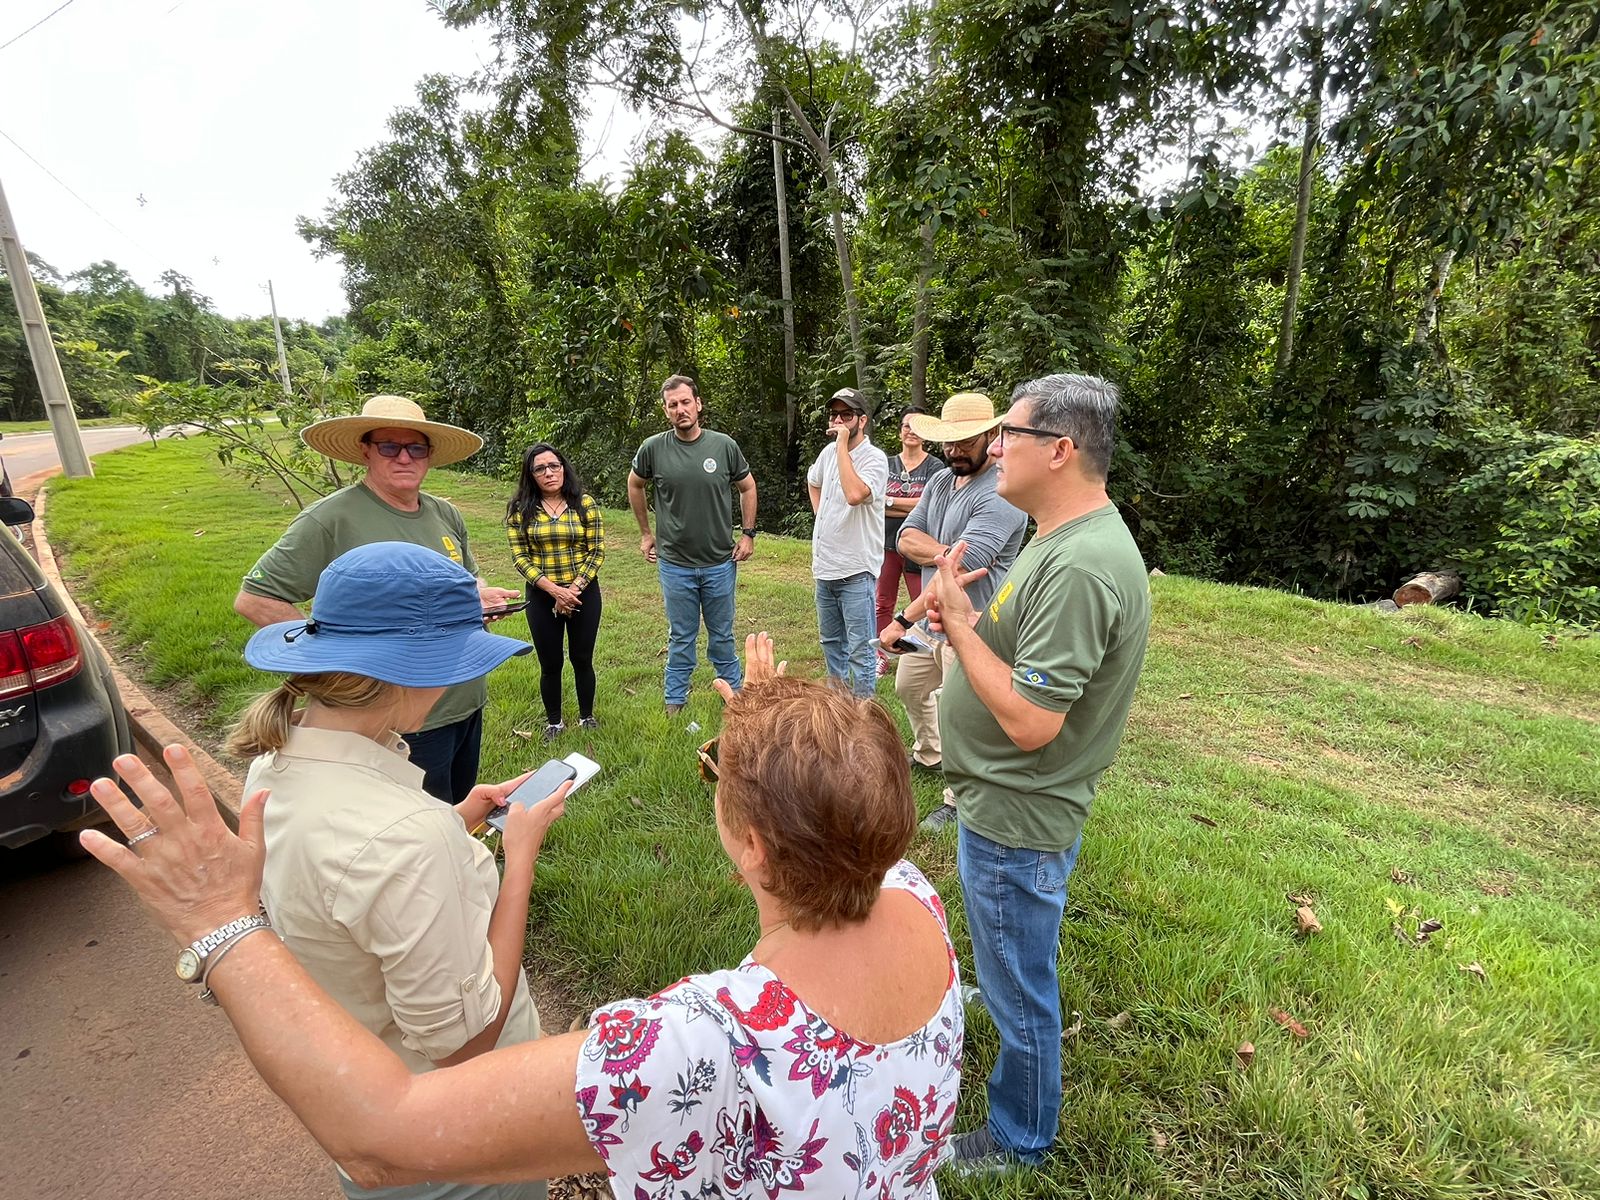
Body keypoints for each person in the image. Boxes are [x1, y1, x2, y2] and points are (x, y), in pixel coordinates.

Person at [80, 633, 964, 1198]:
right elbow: (841, 813)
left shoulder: (695, 1045)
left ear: (753, 848)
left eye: (714, 778)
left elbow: (380, 1140)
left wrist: (222, 921)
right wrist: (774, 733)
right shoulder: (912, 895)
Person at [225, 540, 566, 1200]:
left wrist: (459, 816)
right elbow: (465, 1043)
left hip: (372, 1113)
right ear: (410, 672)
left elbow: (349, 890)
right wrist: (518, 859)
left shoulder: (274, 766)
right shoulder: (407, 838)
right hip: (463, 1150)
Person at [922, 374, 1151, 1176]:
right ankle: (1003, 983)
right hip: (1006, 804)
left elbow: (1030, 720)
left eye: (1008, 434)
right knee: (1013, 956)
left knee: (1025, 991)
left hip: (1021, 813)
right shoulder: (1055, 537)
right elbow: (1019, 656)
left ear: (1059, 450)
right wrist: (964, 616)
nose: (994, 447)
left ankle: (1020, 1139)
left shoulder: (1083, 563)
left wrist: (955, 626)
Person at [233, 394, 520, 803]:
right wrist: (337, 663)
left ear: (429, 455)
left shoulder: (445, 514)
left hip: (464, 696)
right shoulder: (331, 518)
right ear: (365, 451)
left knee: (454, 810)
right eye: (390, 446)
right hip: (397, 714)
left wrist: (479, 598)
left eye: (416, 447)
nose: (404, 457)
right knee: (411, 829)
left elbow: (468, 579)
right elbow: (255, 598)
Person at [878, 392, 1027, 811]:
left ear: (991, 434)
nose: (955, 451)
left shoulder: (1000, 492)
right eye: (949, 441)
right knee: (910, 688)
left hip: (974, 623)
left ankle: (958, 798)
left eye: (966, 441)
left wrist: (901, 621)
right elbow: (906, 537)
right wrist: (944, 552)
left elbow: (961, 571)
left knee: (961, 713)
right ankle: (930, 754)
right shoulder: (942, 480)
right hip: (933, 618)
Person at [627, 375, 758, 714]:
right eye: (673, 405)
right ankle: (675, 700)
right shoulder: (653, 448)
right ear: (666, 411)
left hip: (719, 561)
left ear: (698, 404)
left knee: (722, 635)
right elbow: (635, 484)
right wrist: (645, 533)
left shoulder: (723, 446)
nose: (680, 409)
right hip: (675, 564)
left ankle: (736, 699)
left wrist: (748, 533)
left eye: (686, 402)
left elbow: (748, 487)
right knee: (681, 636)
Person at [505, 443, 605, 741]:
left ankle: (587, 717)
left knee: (582, 658)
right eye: (540, 468)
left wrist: (572, 590)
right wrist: (553, 591)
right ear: (531, 475)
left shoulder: (584, 504)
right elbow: (520, 557)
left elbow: (596, 551)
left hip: (583, 592)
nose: (549, 473)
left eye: (554, 466)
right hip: (541, 595)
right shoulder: (521, 510)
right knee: (550, 663)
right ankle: (554, 723)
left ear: (564, 468)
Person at [806, 387, 889, 699]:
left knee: (860, 650)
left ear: (862, 420)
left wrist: (842, 444)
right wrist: (821, 514)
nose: (838, 420)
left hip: (856, 570)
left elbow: (855, 495)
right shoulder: (827, 454)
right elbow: (813, 481)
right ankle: (838, 710)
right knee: (831, 645)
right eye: (834, 414)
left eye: (846, 414)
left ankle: (864, 714)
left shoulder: (875, 459)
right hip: (825, 567)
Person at [876, 406, 944, 674]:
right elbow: (874, 503)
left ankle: (922, 652)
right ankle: (881, 653)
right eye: (907, 426)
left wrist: (890, 501)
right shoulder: (887, 464)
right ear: (900, 431)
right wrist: (905, 504)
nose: (911, 431)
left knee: (923, 599)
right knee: (883, 600)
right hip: (886, 540)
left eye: (917, 427)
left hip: (919, 543)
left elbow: (926, 506)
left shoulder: (935, 467)